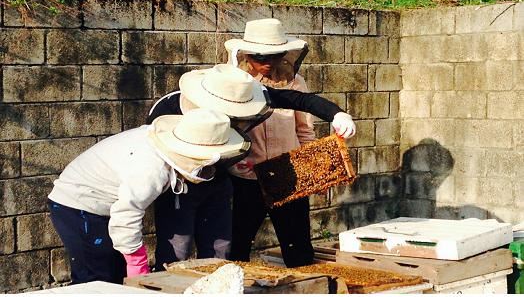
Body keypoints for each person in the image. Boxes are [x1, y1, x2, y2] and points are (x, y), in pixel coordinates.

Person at [147, 64, 356, 270]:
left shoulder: (248, 91)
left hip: (224, 184)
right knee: (176, 251)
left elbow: (299, 100)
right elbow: (156, 148)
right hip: (181, 185)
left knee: (221, 252)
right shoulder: (169, 107)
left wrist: (337, 114)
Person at [47, 108, 249, 284]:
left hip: (101, 204)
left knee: (115, 276)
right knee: (97, 279)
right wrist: (138, 264)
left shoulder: (160, 147)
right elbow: (126, 215)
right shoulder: (151, 169)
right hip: (78, 205)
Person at [224, 18, 357, 267]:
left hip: (290, 174)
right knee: (238, 245)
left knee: (298, 247)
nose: (267, 63)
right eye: (260, 57)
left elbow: (304, 129)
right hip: (246, 177)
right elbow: (220, 129)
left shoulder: (295, 81)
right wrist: (233, 159)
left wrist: (313, 168)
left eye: (273, 56)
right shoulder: (230, 83)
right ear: (246, 54)